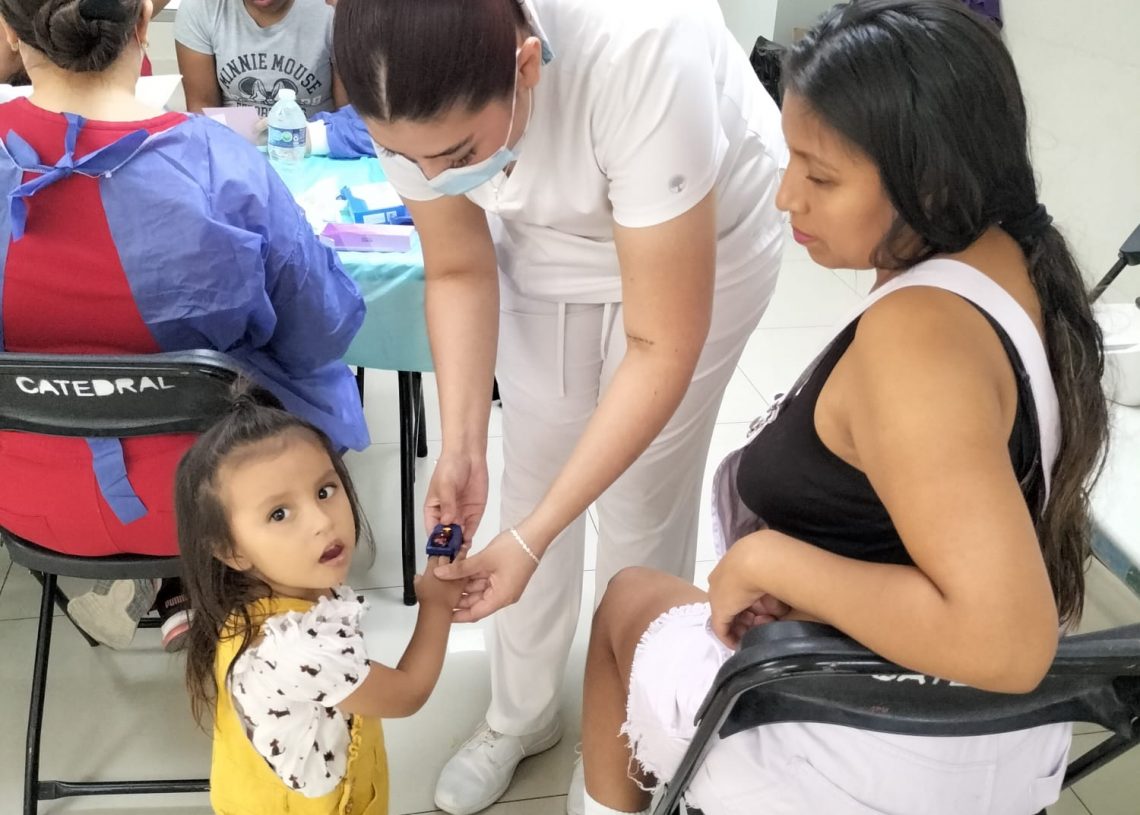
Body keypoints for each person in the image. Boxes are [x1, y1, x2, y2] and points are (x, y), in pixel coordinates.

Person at [578, 2, 1108, 814]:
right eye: (790, 158)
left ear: (930, 181)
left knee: (625, 603)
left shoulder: (917, 342)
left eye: (820, 175)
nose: (786, 195)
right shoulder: (1010, 253)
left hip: (880, 750)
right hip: (979, 736)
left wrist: (771, 562)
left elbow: (1008, 641)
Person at [332, 1, 787, 811]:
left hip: (704, 232)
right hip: (549, 239)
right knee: (532, 470)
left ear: (527, 64)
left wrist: (534, 538)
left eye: (456, 156)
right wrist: (463, 443)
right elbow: (458, 266)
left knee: (642, 493)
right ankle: (521, 713)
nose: (431, 178)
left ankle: (625, 737)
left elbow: (660, 345)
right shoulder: (398, 68)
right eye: (406, 158)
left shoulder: (642, 41)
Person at [0, 0, 368, 651]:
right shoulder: (220, 167)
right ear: (144, 20)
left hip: (27, 503)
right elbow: (324, 329)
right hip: (218, 506)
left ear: (8, 29)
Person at [177, 392, 465, 815]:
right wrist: (437, 605)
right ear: (230, 550)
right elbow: (408, 693)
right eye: (279, 514)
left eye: (325, 490)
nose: (321, 521)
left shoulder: (258, 597)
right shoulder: (296, 648)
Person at [175, 0, 345, 117]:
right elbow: (202, 108)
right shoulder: (202, 7)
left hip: (317, 147)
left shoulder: (333, 9)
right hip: (231, 144)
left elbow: (349, 116)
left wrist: (311, 141)